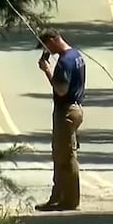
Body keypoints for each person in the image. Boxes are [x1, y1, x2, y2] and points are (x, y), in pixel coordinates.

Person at [34, 28, 85, 212]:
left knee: (67, 156)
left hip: (66, 111)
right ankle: (57, 197)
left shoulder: (64, 61)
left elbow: (61, 90)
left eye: (46, 46)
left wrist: (47, 71)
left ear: (53, 40)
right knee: (60, 154)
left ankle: (70, 200)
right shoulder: (76, 55)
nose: (46, 50)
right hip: (76, 108)